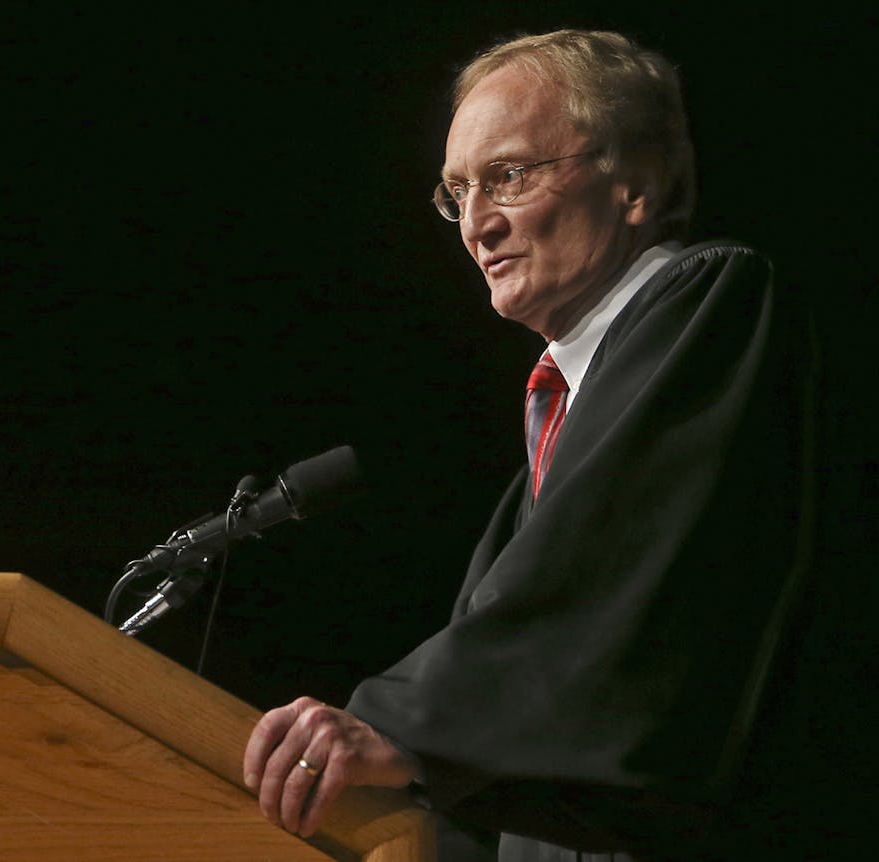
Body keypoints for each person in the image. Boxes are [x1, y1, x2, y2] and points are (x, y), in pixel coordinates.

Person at [243, 29, 860, 861]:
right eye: (456, 193)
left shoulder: (717, 302)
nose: (476, 225)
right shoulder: (560, 425)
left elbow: (609, 587)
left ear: (635, 183)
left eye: (508, 176)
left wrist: (395, 725)